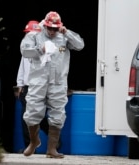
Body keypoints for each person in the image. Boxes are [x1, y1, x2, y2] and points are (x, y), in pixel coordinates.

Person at [20, 11, 85, 158]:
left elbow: (80, 45)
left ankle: (51, 149)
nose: (52, 32)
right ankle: (33, 141)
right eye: (50, 28)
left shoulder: (63, 36)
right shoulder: (35, 34)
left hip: (58, 81)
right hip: (38, 80)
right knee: (32, 111)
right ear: (46, 25)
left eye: (55, 29)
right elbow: (24, 51)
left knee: (58, 113)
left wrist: (67, 33)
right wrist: (39, 49)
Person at [15, 20, 50, 151]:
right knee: (26, 118)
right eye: (27, 33)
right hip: (27, 88)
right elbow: (22, 68)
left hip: (39, 88)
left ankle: (53, 138)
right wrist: (19, 85)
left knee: (39, 117)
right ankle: (28, 146)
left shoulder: (45, 49)